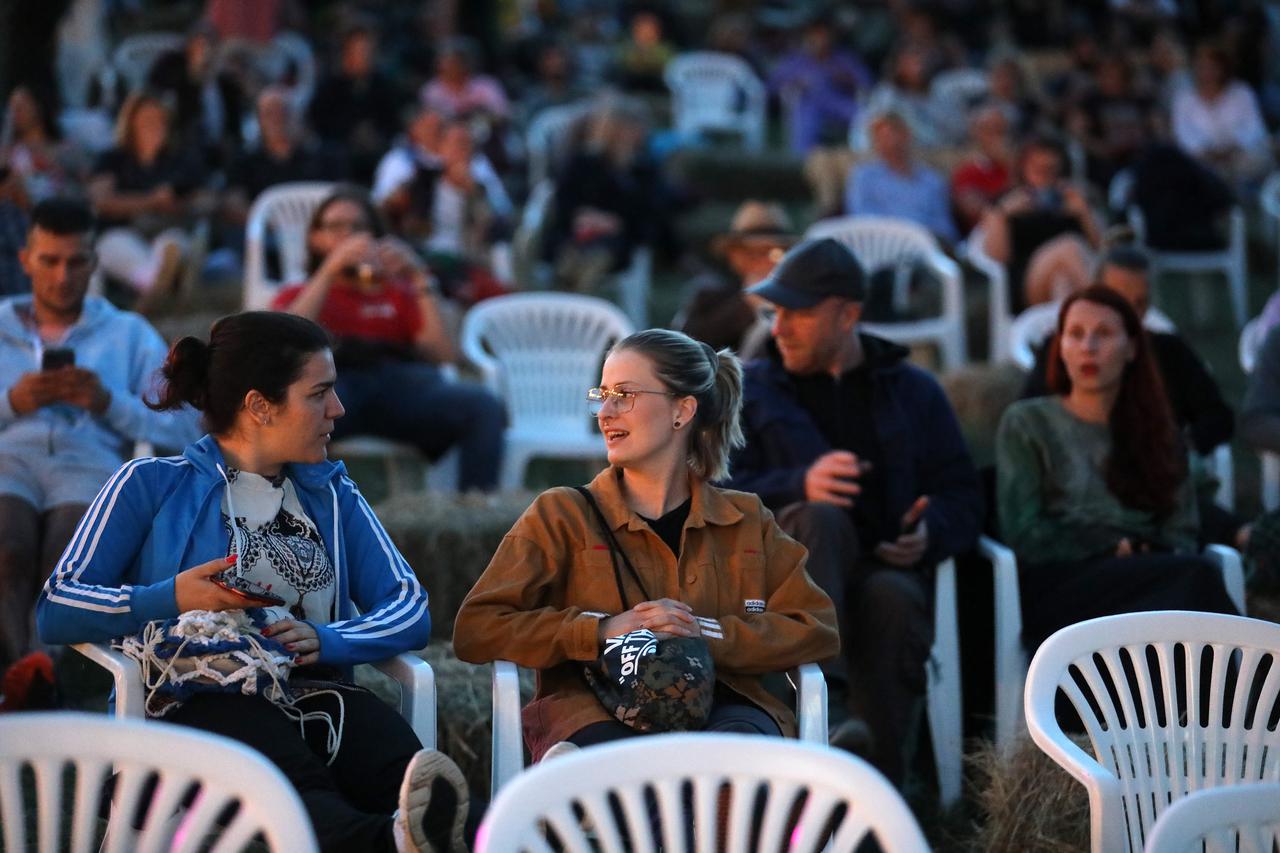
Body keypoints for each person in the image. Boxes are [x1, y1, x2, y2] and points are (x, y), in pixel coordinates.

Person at [36, 311, 468, 853]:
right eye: (320, 394)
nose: (339, 409)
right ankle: (388, 842)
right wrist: (169, 596)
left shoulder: (332, 495)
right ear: (260, 406)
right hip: (195, 704)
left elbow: (408, 604)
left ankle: (420, 836)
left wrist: (330, 640)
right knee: (285, 770)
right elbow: (58, 604)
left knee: (394, 763)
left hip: (317, 695)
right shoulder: (148, 484)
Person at [453, 329, 839, 760]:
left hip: (722, 706)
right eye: (602, 394)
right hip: (594, 710)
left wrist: (708, 633)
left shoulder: (746, 519)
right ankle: (601, 815)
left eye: (625, 394)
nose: (605, 412)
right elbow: (477, 628)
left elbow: (816, 626)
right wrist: (601, 629)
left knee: (737, 761)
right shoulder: (561, 513)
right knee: (622, 770)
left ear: (682, 410)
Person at [725, 238, 982, 788]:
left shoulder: (914, 392)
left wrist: (928, 529)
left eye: (797, 313)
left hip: (881, 569)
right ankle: (825, 711)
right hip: (778, 580)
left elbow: (964, 493)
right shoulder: (750, 390)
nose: (779, 328)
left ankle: (879, 792)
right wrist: (799, 484)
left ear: (849, 315)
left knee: (892, 598)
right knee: (821, 518)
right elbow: (710, 489)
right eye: (775, 312)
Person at [0, 198, 197, 688]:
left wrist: (108, 402)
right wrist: (12, 402)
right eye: (50, 260)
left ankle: (38, 678)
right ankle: (20, 675)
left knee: (66, 556)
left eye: (77, 261)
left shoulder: (128, 333)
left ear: (94, 263)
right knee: (7, 549)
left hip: (89, 463)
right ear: (26, 260)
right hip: (9, 460)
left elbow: (185, 427)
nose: (63, 275)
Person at [996, 285, 1239, 652]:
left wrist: (1142, 549)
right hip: (1063, 582)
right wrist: (1107, 547)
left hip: (1152, 574)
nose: (1088, 347)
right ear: (1060, 347)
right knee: (1197, 579)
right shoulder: (1028, 423)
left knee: (1187, 588)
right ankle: (1245, 703)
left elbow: (1182, 530)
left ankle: (1209, 706)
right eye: (1075, 335)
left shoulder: (1157, 428)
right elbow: (1024, 531)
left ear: (1131, 348)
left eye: (1104, 334)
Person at [272, 186, 505, 492]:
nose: (348, 236)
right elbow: (281, 343)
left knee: (484, 406)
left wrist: (420, 277)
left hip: (399, 387)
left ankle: (476, 512)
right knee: (291, 414)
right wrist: (330, 269)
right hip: (335, 387)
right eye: (335, 227)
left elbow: (444, 354)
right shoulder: (300, 293)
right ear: (315, 239)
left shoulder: (400, 292)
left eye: (358, 227)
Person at [1022, 246, 1244, 548]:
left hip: (1162, 479)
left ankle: (1247, 542)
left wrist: (1181, 444)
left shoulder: (1168, 352)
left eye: (1140, 304)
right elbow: (1030, 420)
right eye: (1119, 302)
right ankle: (1243, 539)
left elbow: (1218, 417)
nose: (1130, 315)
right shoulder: (1065, 352)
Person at [87, 92, 211, 309]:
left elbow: (206, 200)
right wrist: (151, 201)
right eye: (147, 120)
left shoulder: (181, 160)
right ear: (131, 124)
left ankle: (154, 290)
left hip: (166, 230)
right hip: (123, 234)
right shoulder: (113, 159)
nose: (154, 126)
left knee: (173, 243)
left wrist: (180, 205)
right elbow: (101, 202)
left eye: (159, 120)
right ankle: (154, 287)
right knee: (115, 245)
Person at [979, 133, 1102, 312]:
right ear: (1023, 169)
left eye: (1052, 170)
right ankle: (1110, 309)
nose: (1045, 178)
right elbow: (998, 258)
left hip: (1067, 278)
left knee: (1063, 283)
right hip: (1027, 283)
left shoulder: (1075, 199)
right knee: (1069, 246)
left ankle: (1062, 334)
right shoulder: (1005, 202)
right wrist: (1003, 216)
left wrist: (1084, 213)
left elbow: (1101, 247)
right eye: (1038, 170)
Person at [674, 200, 797, 359]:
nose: (760, 261)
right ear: (734, 257)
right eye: (750, 253)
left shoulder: (798, 301)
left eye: (770, 252)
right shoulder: (710, 297)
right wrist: (747, 304)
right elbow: (688, 347)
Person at [844, 110, 957, 244]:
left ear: (907, 136)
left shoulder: (932, 180)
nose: (891, 143)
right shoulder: (863, 177)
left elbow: (944, 227)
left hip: (924, 248)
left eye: (895, 134)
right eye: (882, 137)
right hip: (880, 245)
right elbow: (860, 218)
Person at [768, 11, 872, 155]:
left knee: (868, 116)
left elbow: (866, 85)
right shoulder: (795, 60)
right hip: (808, 104)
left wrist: (846, 80)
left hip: (839, 102)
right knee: (804, 114)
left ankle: (866, 160)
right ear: (807, 36)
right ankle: (801, 162)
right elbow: (772, 87)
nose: (820, 39)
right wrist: (794, 84)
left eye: (824, 34)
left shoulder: (844, 59)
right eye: (816, 34)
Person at [1171, 43, 1271, 188]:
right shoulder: (1184, 98)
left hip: (1240, 156)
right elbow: (1183, 133)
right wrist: (1206, 152)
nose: (1207, 72)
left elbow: (1254, 126)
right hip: (1202, 160)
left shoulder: (1242, 92)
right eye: (1202, 66)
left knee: (1259, 159)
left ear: (1223, 67)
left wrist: (1234, 147)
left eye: (1213, 67)